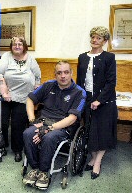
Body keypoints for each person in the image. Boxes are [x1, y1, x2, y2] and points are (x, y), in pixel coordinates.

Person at [22, 60, 86, 189]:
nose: (63, 76)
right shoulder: (48, 85)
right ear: (55, 74)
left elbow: (72, 118)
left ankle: (44, 172)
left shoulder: (79, 92)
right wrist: (32, 120)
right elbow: (29, 99)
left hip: (64, 126)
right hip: (43, 121)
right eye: (59, 73)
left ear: (71, 73)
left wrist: (49, 129)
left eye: (66, 72)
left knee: (49, 137)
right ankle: (35, 168)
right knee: (27, 133)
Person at [76, 26, 117, 179]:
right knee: (89, 130)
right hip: (86, 98)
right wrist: (80, 98)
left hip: (104, 100)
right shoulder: (82, 57)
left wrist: (99, 100)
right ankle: (93, 157)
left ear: (104, 41)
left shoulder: (109, 57)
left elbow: (111, 82)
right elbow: (80, 81)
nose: (95, 40)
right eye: (93, 37)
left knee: (102, 132)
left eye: (99, 38)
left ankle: (98, 162)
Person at [0, 37, 41, 162]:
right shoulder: (6, 57)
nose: (17, 46)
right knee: (2, 122)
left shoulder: (30, 58)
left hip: (23, 96)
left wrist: (36, 87)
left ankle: (17, 149)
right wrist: (4, 91)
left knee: (17, 124)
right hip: (5, 94)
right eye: (14, 44)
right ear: (11, 46)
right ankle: (1, 146)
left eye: (20, 44)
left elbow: (37, 75)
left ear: (24, 46)